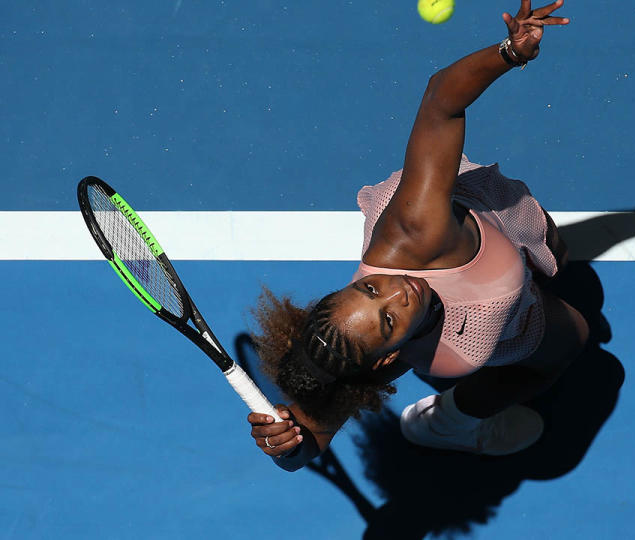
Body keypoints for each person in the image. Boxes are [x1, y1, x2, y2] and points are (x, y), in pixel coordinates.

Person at [249, 0, 589, 472]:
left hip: (483, 229)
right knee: (570, 341)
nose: (397, 292)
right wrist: (291, 447)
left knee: (554, 253)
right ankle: (448, 424)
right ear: (386, 363)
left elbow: (440, 102)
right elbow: (309, 444)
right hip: (485, 328)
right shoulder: (397, 357)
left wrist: (510, 52)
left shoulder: (415, 230)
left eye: (369, 288)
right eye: (387, 321)